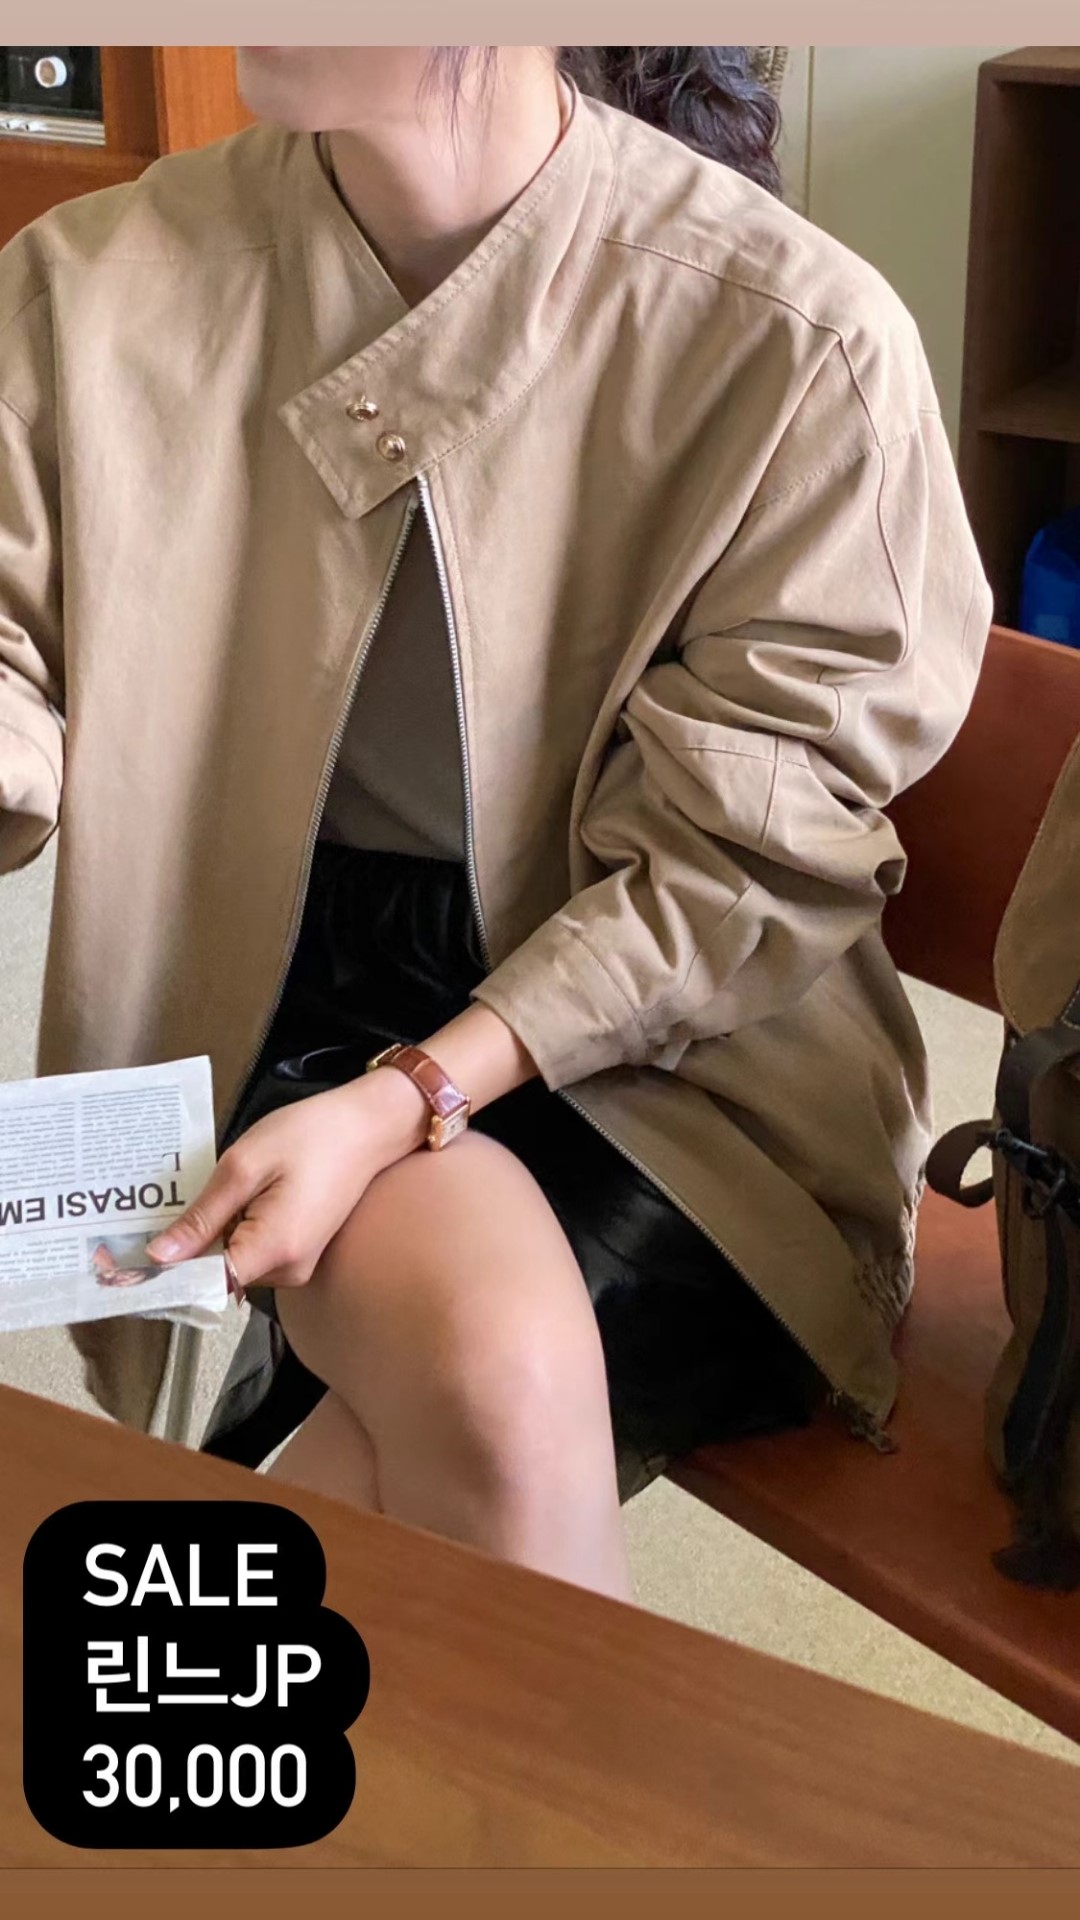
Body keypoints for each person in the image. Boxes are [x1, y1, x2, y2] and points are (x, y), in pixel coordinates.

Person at [0, 46, 993, 1604]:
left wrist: (407, 1097)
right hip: (256, 971)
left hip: (683, 1055)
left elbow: (735, 873)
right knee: (468, 1388)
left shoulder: (795, 339)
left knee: (472, 1369)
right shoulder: (89, 282)